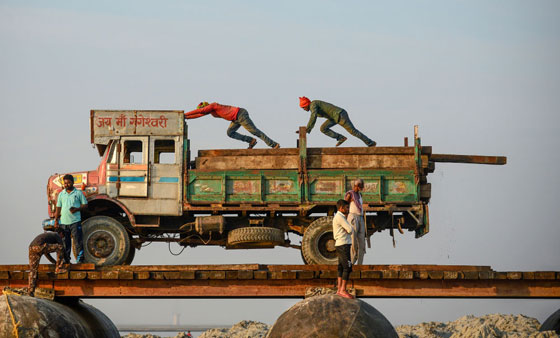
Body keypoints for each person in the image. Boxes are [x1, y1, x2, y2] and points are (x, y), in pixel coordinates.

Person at [185, 102, 280, 149]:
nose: (205, 112)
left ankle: (273, 144)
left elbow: (200, 111)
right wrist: (186, 117)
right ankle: (251, 141)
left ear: (206, 107)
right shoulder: (211, 112)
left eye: (204, 109)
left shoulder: (213, 105)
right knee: (230, 132)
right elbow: (199, 114)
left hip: (240, 114)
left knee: (254, 131)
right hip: (235, 118)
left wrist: (184, 114)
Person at [298, 97, 376, 147]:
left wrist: (307, 129)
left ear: (307, 104)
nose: (304, 109)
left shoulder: (313, 104)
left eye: (304, 107)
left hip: (340, 114)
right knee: (323, 128)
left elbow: (313, 117)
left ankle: (370, 143)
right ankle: (341, 138)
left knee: (353, 131)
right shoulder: (313, 107)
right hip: (333, 117)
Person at [54, 174, 88, 263]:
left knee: (78, 241)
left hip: (75, 222)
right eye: (65, 183)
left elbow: (85, 205)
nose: (66, 185)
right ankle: (66, 260)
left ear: (72, 183)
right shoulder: (61, 194)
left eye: (68, 183)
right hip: (63, 222)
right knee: (65, 243)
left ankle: (80, 260)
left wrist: (77, 209)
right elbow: (58, 208)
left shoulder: (78, 193)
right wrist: (56, 220)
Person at [28, 231, 66, 296]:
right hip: (39, 246)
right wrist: (67, 261)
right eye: (63, 237)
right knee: (60, 247)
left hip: (32, 247)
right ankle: (58, 268)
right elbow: (61, 247)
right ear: (61, 233)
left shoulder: (47, 236)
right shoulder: (56, 235)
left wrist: (54, 262)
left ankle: (30, 291)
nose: (62, 238)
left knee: (33, 270)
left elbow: (46, 253)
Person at [333, 199, 354, 299]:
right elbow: (350, 229)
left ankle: (339, 289)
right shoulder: (340, 217)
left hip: (340, 244)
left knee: (341, 266)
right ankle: (343, 290)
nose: (348, 209)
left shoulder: (338, 216)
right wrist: (348, 229)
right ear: (341, 208)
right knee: (348, 267)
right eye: (347, 207)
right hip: (344, 244)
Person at [345, 178, 367, 265]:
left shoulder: (360, 195)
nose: (362, 188)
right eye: (361, 186)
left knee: (362, 242)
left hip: (360, 217)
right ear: (357, 186)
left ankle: (360, 264)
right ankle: (352, 262)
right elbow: (345, 206)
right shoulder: (350, 194)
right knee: (353, 242)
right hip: (353, 217)